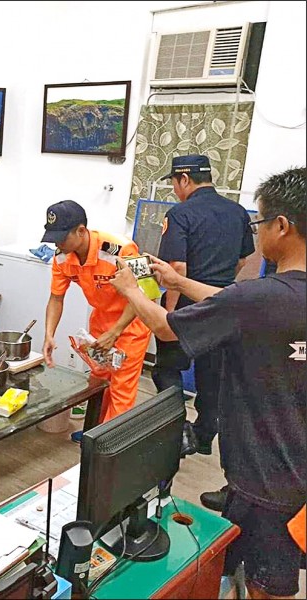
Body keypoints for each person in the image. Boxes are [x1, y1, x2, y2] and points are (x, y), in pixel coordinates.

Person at [110, 167, 306, 599]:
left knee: (267, 585)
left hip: (268, 475)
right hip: (294, 468)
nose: (256, 234)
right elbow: (231, 302)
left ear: (282, 227)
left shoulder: (260, 296)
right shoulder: (266, 298)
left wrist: (131, 289)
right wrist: (178, 281)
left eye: (259, 223)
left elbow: (165, 327)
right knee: (242, 564)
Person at [154, 154, 255, 463]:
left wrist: (171, 316)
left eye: (173, 183)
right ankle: (205, 433)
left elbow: (177, 267)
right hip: (222, 304)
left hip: (186, 304)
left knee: (167, 369)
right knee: (212, 375)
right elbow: (242, 259)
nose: (174, 190)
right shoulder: (237, 212)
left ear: (184, 179)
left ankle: (177, 430)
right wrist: (219, 288)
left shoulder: (181, 214)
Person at [40, 200, 152, 440]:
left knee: (121, 390)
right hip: (100, 324)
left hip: (131, 325)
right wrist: (49, 334)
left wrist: (116, 332)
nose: (57, 243)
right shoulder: (62, 257)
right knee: (99, 381)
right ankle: (95, 431)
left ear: (81, 231)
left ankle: (109, 445)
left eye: (62, 237)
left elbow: (146, 294)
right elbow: (56, 298)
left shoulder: (122, 249)